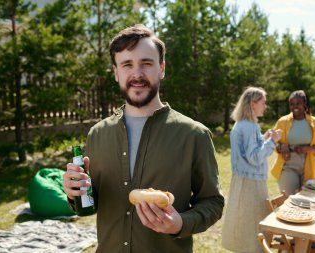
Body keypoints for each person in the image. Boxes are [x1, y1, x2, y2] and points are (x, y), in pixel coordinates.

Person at [62, 24, 224, 253]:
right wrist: (75, 194)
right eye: (127, 64)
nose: (137, 74)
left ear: (162, 68)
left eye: (146, 63)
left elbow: (213, 203)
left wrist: (181, 223)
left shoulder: (194, 135)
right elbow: (91, 202)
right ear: (116, 72)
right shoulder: (97, 134)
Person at [221, 87, 282, 253]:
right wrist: (273, 142)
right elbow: (254, 157)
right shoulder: (249, 126)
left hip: (243, 180)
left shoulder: (242, 125)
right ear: (253, 104)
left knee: (243, 225)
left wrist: (264, 138)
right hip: (251, 183)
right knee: (254, 226)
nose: (265, 106)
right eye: (263, 102)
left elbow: (247, 151)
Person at [271, 90, 315, 196]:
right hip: (288, 165)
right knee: (289, 199)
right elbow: (272, 142)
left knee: (308, 198)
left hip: (308, 165)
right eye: (292, 104)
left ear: (305, 104)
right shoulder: (282, 122)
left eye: (298, 103)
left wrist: (311, 149)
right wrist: (281, 147)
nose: (295, 107)